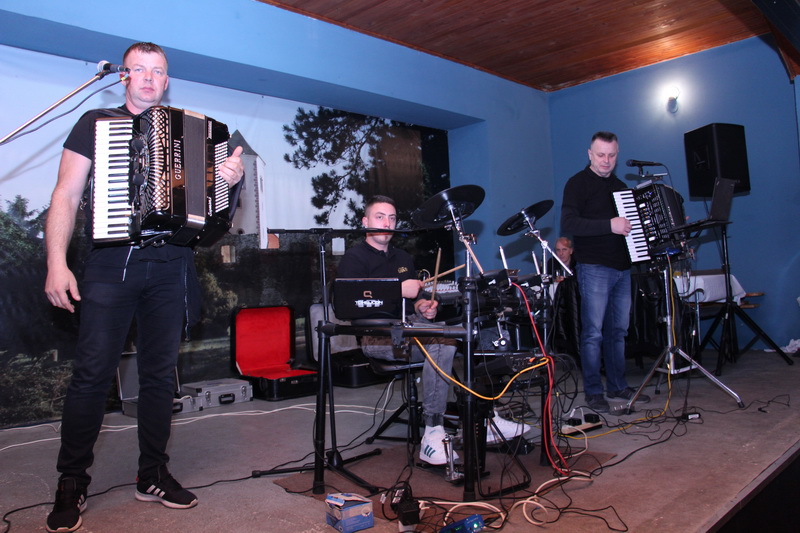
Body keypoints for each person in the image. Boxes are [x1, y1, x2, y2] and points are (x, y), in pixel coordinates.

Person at [43, 42, 244, 533]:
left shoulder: (195, 133)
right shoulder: (97, 123)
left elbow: (210, 216)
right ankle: (72, 480)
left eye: (158, 71)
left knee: (158, 377)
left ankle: (152, 473)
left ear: (166, 80)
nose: (150, 78)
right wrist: (56, 263)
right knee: (92, 375)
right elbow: (66, 194)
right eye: (140, 69)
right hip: (113, 262)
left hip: (172, 264)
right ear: (124, 77)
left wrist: (229, 180)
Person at [336, 195, 528, 465]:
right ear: (365, 222)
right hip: (378, 336)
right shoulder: (354, 258)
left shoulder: (402, 257)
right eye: (380, 217)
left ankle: (484, 418)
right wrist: (397, 289)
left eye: (392, 218)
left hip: (413, 327)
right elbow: (347, 305)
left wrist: (424, 306)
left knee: (474, 332)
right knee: (441, 342)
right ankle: (433, 431)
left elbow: (414, 301)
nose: (387, 223)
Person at [560, 131, 650, 414]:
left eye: (611, 155)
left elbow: (628, 229)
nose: (606, 160)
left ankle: (617, 385)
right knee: (593, 333)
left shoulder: (622, 187)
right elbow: (569, 223)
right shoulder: (577, 183)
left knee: (618, 332)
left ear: (617, 155)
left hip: (623, 268)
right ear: (590, 154)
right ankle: (593, 391)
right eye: (600, 155)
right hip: (593, 267)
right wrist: (609, 225)